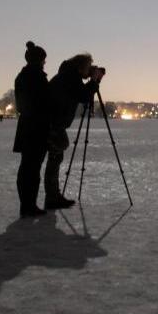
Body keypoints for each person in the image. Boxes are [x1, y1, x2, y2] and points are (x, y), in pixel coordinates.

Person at [44, 53, 104, 209]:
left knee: (55, 158)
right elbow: (83, 95)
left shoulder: (67, 74)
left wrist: (92, 80)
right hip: (53, 122)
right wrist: (94, 81)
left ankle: (53, 196)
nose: (89, 70)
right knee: (55, 158)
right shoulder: (70, 77)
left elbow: (80, 93)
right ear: (81, 66)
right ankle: (52, 197)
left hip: (53, 121)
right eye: (88, 67)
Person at [13, 41, 51, 217]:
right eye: (43, 60)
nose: (45, 63)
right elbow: (43, 102)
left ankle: (27, 204)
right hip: (35, 127)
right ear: (39, 60)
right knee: (32, 168)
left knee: (28, 167)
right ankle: (29, 206)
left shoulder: (24, 76)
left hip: (28, 126)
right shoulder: (35, 76)